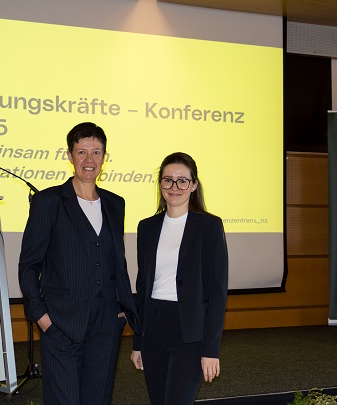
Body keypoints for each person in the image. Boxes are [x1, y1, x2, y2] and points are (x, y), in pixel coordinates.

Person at [18, 122, 140, 405]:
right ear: (69, 156)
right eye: (82, 152)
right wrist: (41, 317)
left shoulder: (115, 203)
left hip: (106, 325)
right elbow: (29, 264)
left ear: (104, 157)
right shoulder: (48, 201)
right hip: (60, 323)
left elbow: (117, 262)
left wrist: (122, 311)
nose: (89, 160)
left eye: (96, 152)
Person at [130, 152, 229, 405]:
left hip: (190, 333)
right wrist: (138, 342)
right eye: (168, 180)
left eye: (182, 181)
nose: (174, 187)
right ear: (160, 184)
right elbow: (142, 287)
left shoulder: (209, 226)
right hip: (153, 329)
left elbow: (218, 293)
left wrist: (211, 349)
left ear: (193, 185)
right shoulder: (146, 227)